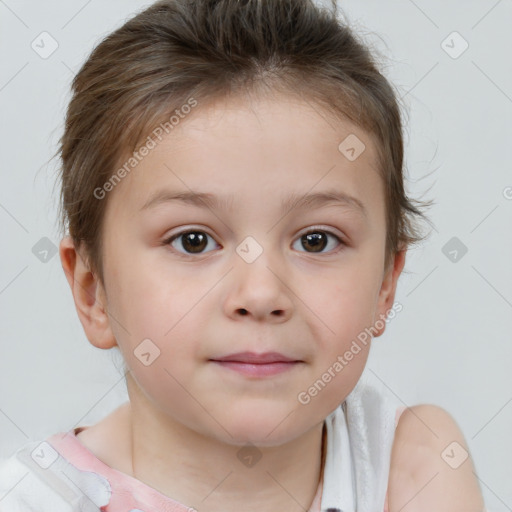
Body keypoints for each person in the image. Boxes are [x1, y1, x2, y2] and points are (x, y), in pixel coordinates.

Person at [0, 0, 485, 510]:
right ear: (93, 290)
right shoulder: (35, 499)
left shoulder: (410, 465)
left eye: (316, 240)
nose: (260, 294)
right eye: (193, 240)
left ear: (386, 285)